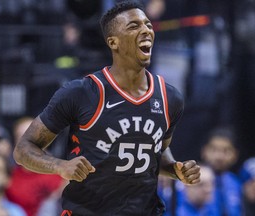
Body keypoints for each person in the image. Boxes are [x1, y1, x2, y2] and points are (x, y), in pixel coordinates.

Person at [13, 1, 201, 215]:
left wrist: (176, 169)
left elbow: (158, 151)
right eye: (134, 26)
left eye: (148, 24)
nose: (146, 30)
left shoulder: (170, 97)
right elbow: (23, 150)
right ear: (113, 42)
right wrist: (59, 166)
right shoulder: (81, 92)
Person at [6, 117, 63, 216]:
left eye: (33, 136)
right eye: (21, 137)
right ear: (15, 142)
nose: (28, 143)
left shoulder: (63, 174)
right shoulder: (8, 177)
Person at [201, 127, 242, 216]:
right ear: (204, 151)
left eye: (226, 150)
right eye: (214, 149)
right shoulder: (191, 180)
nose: (219, 156)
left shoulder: (237, 184)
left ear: (235, 155)